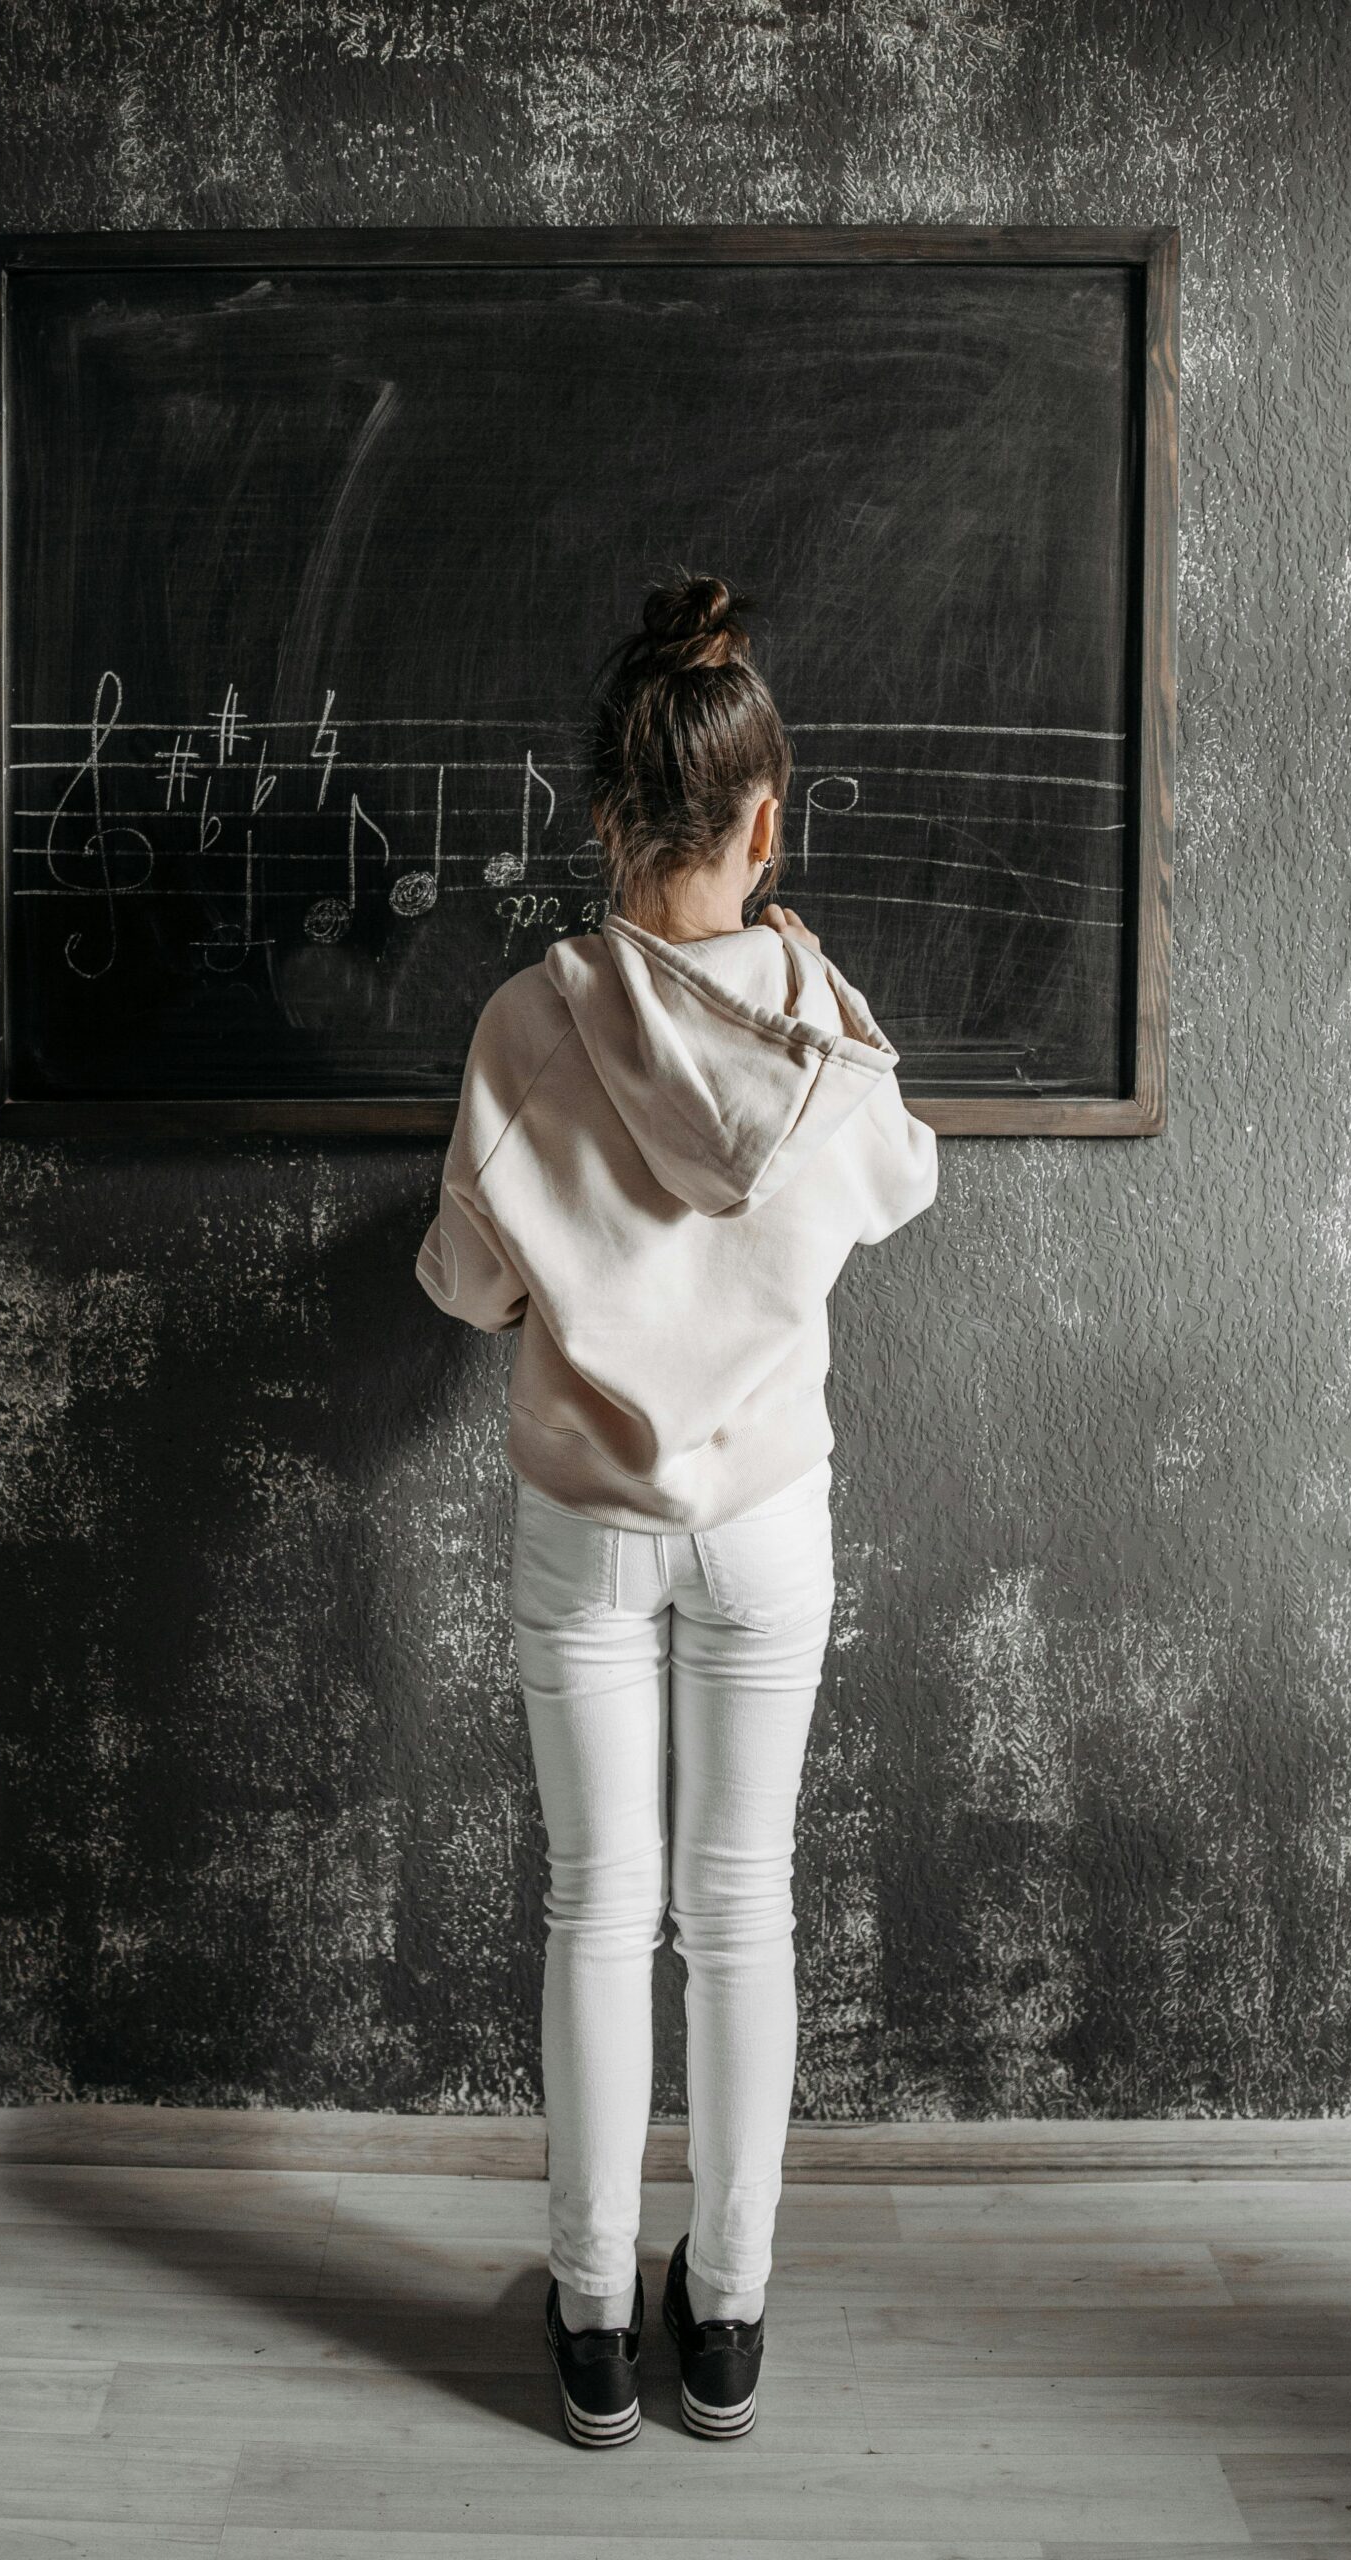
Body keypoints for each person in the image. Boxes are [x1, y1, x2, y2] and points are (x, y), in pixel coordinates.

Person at [414, 571, 939, 2447]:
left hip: (585, 1529)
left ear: (600, 815)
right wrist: (816, 991)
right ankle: (721, 2315)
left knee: (593, 1906)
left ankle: (585, 2321)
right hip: (766, 1526)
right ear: (764, 822)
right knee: (743, 1913)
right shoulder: (824, 1043)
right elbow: (902, 1185)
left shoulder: (520, 1028)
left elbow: (467, 1294)